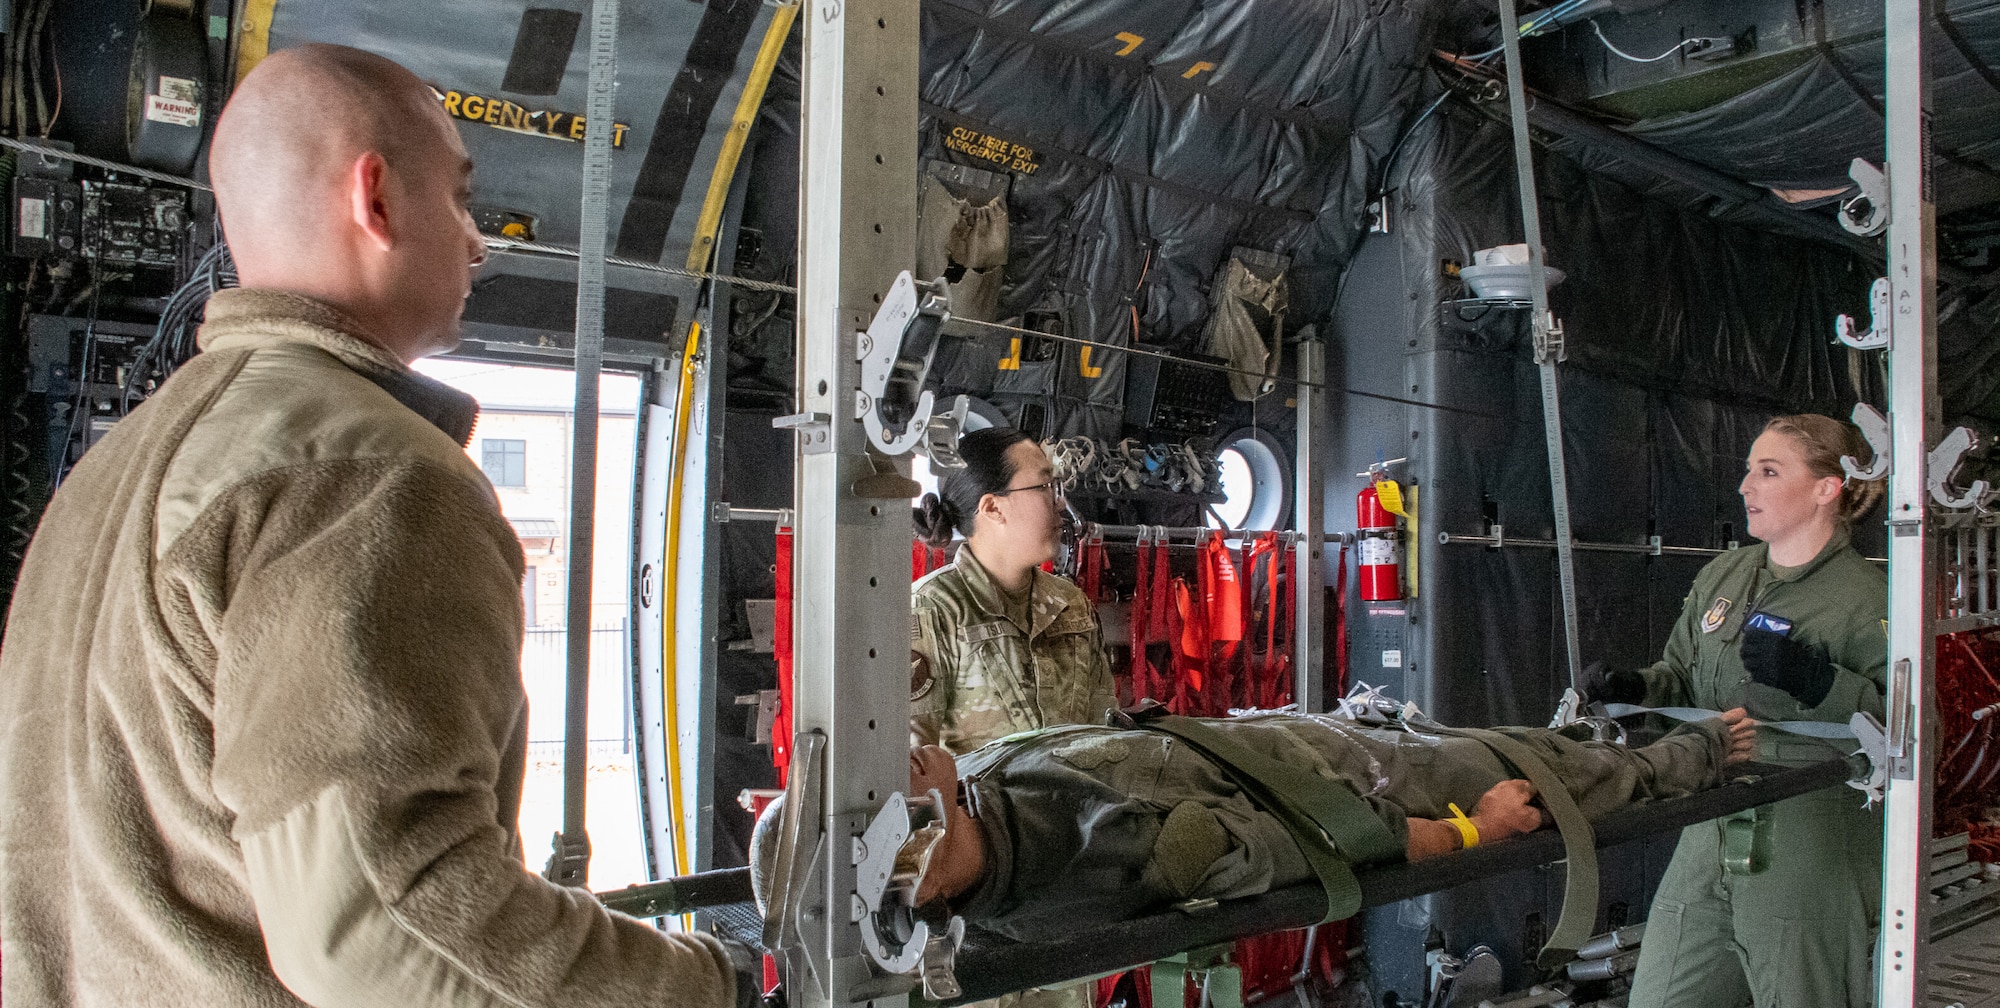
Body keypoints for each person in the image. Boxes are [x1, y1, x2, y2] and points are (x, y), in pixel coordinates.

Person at [0, 46, 741, 1008]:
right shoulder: (370, 477)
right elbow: (383, 923)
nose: (479, 242)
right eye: (462, 200)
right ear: (376, 198)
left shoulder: (115, 471)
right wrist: (703, 987)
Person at [753, 706, 1761, 941]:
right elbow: (1313, 850)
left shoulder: (986, 784)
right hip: (1372, 787)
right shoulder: (1100, 858)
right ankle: (1702, 751)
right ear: (911, 870)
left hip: (1312, 740)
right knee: (1544, 774)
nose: (907, 747)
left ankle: (1629, 741)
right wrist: (1475, 833)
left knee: (1522, 742)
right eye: (887, 784)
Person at [1597, 414, 1889, 1008]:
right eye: (1749, 469)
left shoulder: (1868, 599)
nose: (1745, 486)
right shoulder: (1724, 574)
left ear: (1826, 489)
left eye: (1769, 470)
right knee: (1661, 995)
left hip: (1810, 835)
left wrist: (1817, 680)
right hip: (1712, 814)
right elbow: (1680, 675)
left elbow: (1911, 730)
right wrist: (1633, 687)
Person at [909, 427, 1116, 754]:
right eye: (1046, 486)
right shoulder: (933, 610)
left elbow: (1107, 736)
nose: (1060, 501)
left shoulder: (1072, 604)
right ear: (992, 508)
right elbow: (912, 766)